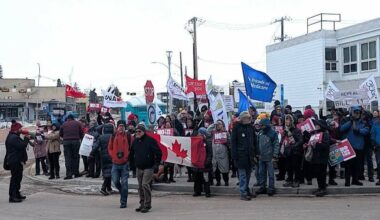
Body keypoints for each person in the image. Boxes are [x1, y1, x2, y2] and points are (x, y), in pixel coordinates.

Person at [130, 125, 162, 213]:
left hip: (149, 167)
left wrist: (156, 164)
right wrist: (132, 165)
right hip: (139, 167)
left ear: (144, 132)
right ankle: (142, 204)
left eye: (139, 131)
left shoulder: (150, 141)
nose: (137, 133)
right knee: (140, 186)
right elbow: (131, 153)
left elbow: (158, 153)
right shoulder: (135, 141)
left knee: (145, 184)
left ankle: (147, 204)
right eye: (136, 132)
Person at [340, 106, 369, 186]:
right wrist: (351, 121)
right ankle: (347, 181)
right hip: (348, 147)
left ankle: (355, 180)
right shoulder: (346, 120)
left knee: (357, 165)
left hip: (358, 147)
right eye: (355, 112)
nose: (357, 114)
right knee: (348, 165)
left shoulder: (363, 122)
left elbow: (366, 131)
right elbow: (341, 129)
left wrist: (359, 130)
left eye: (358, 113)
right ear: (351, 113)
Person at [231, 111, 257, 201]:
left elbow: (255, 141)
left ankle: (246, 189)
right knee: (242, 176)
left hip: (250, 156)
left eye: (249, 117)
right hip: (240, 156)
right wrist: (234, 156)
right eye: (247, 117)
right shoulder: (236, 128)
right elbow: (233, 143)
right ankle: (243, 193)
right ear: (242, 119)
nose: (249, 119)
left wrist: (256, 152)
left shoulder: (251, 128)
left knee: (248, 175)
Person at [109, 120, 132, 208]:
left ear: (124, 127)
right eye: (120, 126)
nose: (121, 127)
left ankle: (123, 201)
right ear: (117, 127)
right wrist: (113, 156)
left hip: (124, 164)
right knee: (115, 181)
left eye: (122, 126)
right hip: (115, 163)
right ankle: (123, 193)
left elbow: (131, 148)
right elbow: (110, 148)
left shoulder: (128, 136)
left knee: (125, 183)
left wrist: (127, 157)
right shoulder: (113, 136)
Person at [5, 122, 29, 203]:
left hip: (16, 160)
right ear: (16, 130)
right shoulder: (13, 138)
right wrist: (26, 139)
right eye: (20, 129)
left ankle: (17, 194)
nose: (21, 130)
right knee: (15, 179)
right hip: (14, 161)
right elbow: (22, 145)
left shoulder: (14, 136)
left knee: (18, 178)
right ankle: (13, 196)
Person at [256, 118, 280, 196]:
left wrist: (275, 155)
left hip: (270, 157)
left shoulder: (273, 133)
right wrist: (257, 153)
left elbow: (276, 144)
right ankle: (262, 187)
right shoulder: (260, 133)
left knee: (271, 174)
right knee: (261, 173)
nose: (260, 126)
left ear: (265, 125)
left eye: (261, 125)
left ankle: (271, 188)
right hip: (261, 157)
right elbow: (257, 144)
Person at [92, 123, 114, 195]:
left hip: (103, 157)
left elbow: (95, 146)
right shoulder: (113, 136)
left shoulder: (101, 137)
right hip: (112, 156)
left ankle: (109, 188)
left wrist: (91, 153)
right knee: (110, 172)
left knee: (106, 172)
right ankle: (103, 188)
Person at [309, 120, 330, 197]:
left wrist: (317, 144)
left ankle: (323, 188)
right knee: (318, 174)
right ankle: (319, 187)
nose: (315, 126)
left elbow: (326, 145)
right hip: (316, 157)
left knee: (322, 174)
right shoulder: (315, 133)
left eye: (317, 125)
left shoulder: (325, 134)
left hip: (322, 157)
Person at [281, 114, 303, 188]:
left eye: (288, 120)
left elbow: (300, 141)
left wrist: (294, 146)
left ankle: (296, 180)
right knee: (288, 167)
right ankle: (290, 180)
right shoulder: (285, 130)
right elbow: (283, 140)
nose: (287, 121)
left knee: (296, 167)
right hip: (287, 152)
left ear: (292, 121)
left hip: (295, 152)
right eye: (286, 120)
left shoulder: (297, 130)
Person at [60, 114, 84, 179]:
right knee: (76, 157)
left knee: (68, 158)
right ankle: (76, 173)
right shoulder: (78, 123)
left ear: (67, 118)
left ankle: (69, 174)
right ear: (73, 118)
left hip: (66, 142)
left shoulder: (64, 124)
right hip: (76, 142)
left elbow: (61, 134)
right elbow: (81, 133)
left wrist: (65, 137)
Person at [192, 127, 213, 198]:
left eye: (200, 133)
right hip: (197, 164)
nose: (199, 134)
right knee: (197, 179)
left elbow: (210, 154)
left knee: (206, 179)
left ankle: (207, 192)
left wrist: (207, 162)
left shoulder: (207, 143)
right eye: (199, 133)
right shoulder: (195, 142)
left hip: (205, 164)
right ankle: (197, 191)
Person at [209, 120, 230, 186]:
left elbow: (230, 142)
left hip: (223, 154)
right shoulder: (213, 133)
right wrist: (213, 124)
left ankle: (226, 181)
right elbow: (207, 131)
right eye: (217, 124)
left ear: (222, 125)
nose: (218, 125)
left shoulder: (226, 133)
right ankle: (218, 181)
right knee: (216, 169)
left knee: (225, 169)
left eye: (219, 124)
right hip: (215, 155)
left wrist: (226, 142)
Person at [371, 111, 380, 185]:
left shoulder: (376, 123)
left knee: (379, 162)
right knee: (379, 162)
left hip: (377, 145)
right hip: (378, 146)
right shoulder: (376, 123)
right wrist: (374, 144)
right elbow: (373, 135)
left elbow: (373, 135)